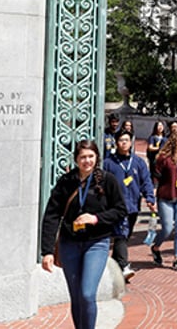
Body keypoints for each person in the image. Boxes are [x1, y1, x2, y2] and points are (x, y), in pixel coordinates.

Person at [41, 140, 126, 329]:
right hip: (69, 243)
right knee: (76, 296)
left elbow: (120, 210)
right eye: (82, 157)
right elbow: (52, 215)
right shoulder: (67, 182)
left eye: (90, 156)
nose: (87, 161)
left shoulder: (107, 180)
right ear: (76, 159)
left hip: (96, 243)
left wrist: (95, 218)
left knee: (87, 294)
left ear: (96, 157)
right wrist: (47, 251)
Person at [103, 129, 156, 280]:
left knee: (125, 236)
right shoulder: (109, 163)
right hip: (116, 205)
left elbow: (146, 181)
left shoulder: (138, 162)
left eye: (126, 140)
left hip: (133, 205)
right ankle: (124, 265)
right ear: (116, 142)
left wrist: (150, 198)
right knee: (121, 233)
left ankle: (114, 264)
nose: (124, 143)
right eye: (121, 140)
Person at [150, 131, 177, 272]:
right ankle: (156, 247)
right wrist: (153, 197)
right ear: (175, 141)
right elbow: (156, 178)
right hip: (166, 196)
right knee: (167, 228)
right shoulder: (164, 159)